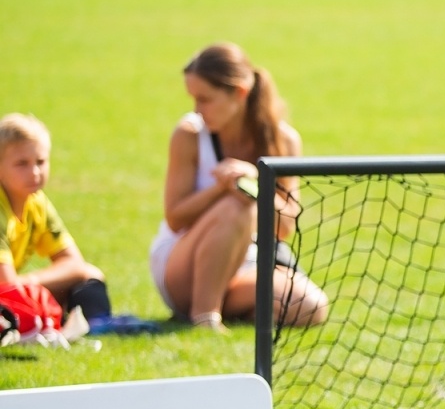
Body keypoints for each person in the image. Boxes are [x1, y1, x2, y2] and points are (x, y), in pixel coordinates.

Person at [150, 43, 328, 331]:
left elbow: (284, 228)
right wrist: (223, 189)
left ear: (240, 93)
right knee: (238, 205)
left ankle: (225, 307)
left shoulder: (284, 141)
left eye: (205, 99)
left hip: (244, 264)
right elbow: (175, 217)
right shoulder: (189, 134)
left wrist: (257, 181)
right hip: (181, 266)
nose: (197, 109)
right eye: (193, 98)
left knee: (310, 306)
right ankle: (204, 317)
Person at [0, 113, 112, 324]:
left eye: (40, 162)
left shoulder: (36, 202)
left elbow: (74, 263)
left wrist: (31, 281)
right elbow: (7, 285)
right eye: (21, 163)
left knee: (90, 275)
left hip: (10, 291)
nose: (34, 172)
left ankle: (97, 325)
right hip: (5, 292)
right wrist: (28, 286)